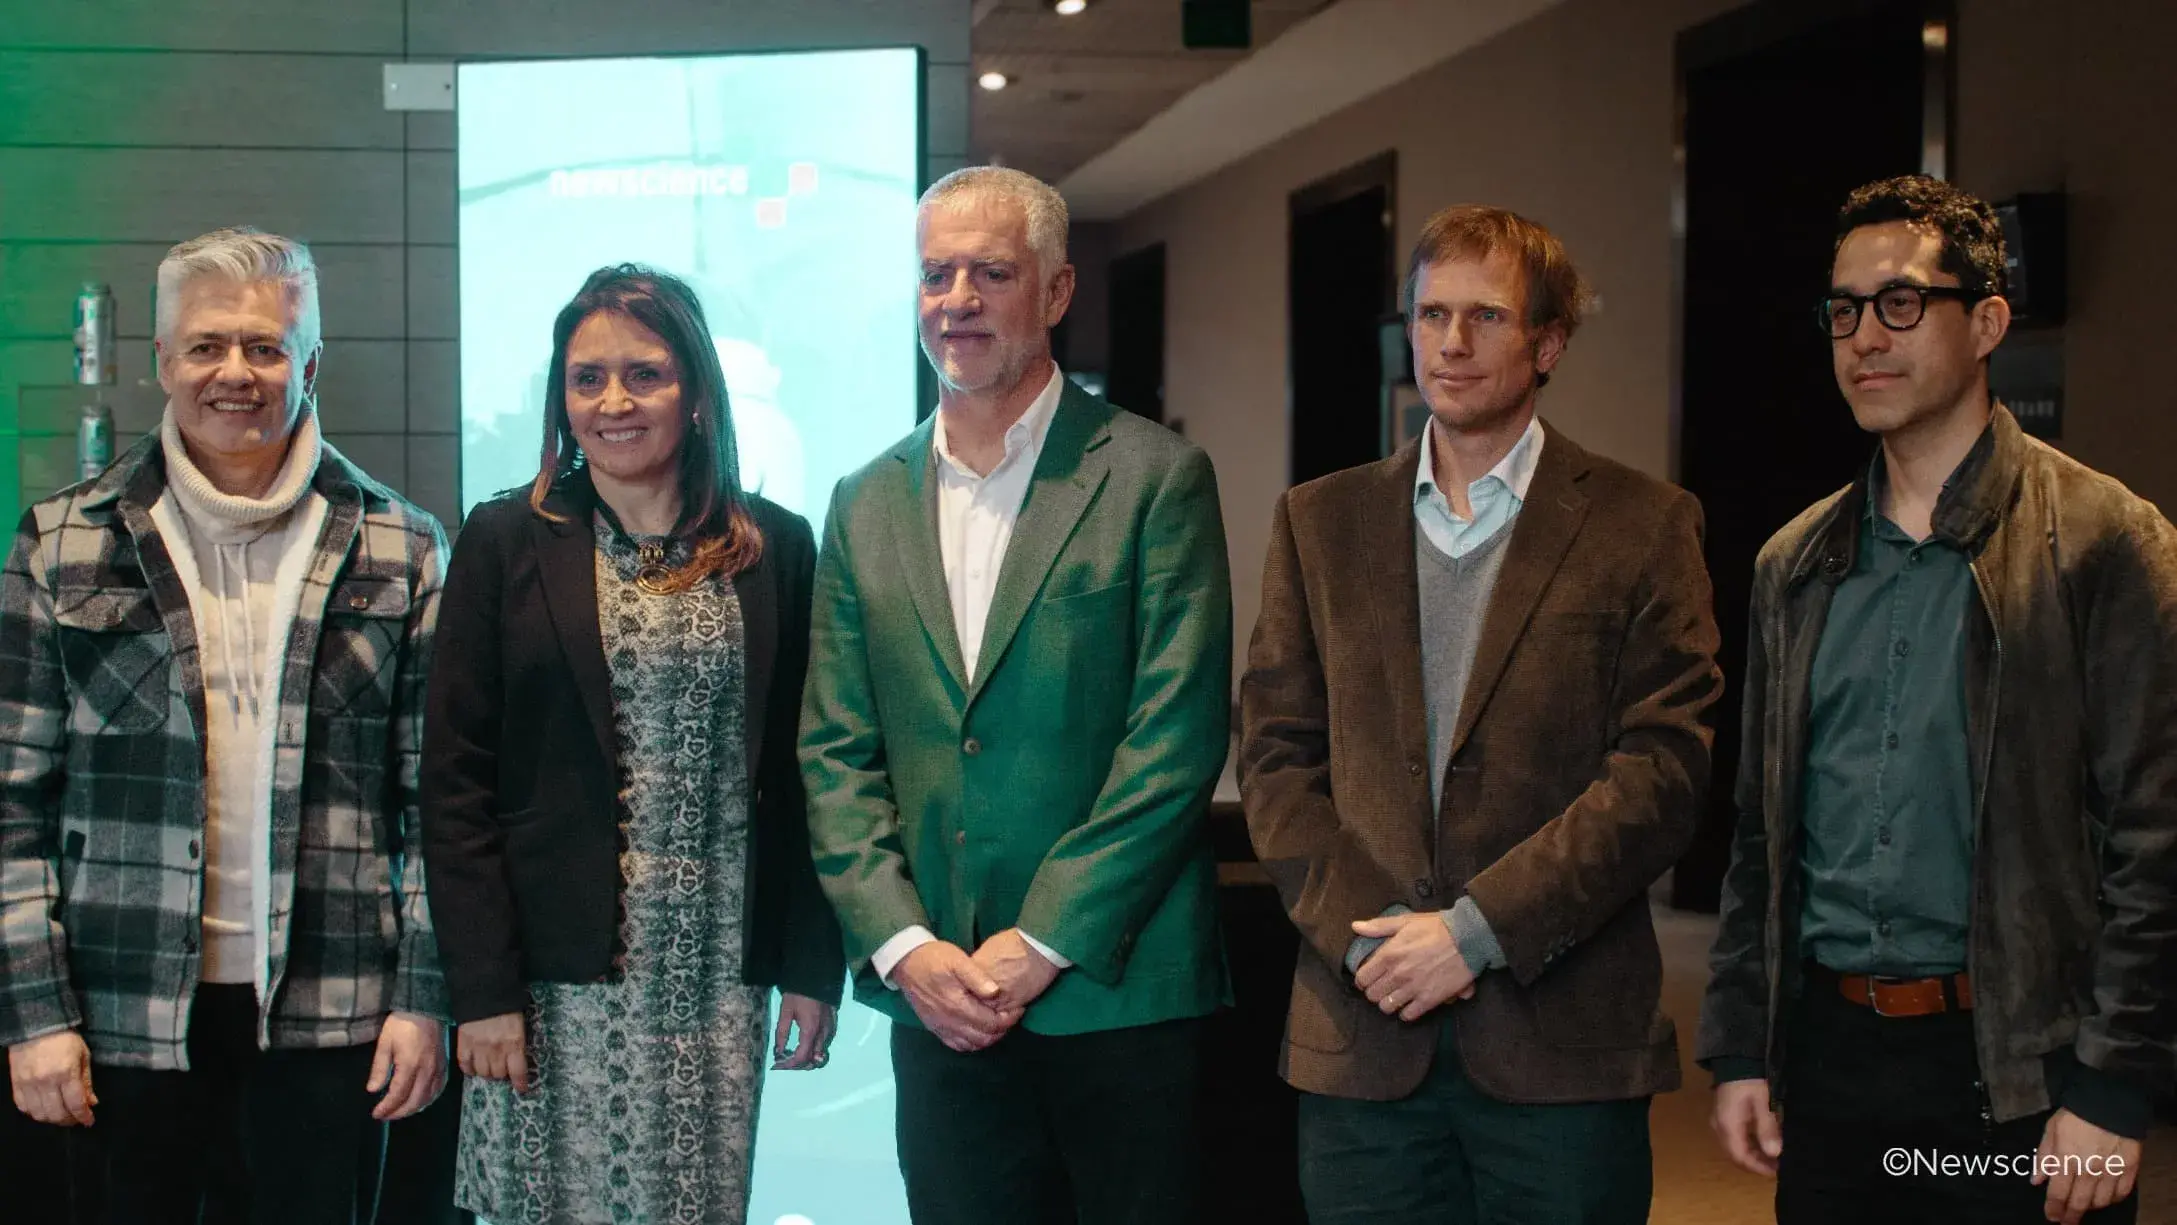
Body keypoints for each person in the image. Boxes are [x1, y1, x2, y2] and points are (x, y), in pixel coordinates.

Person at [1699, 175, 2177, 1225]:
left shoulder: (2103, 540)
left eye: (1901, 302)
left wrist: (2114, 1082)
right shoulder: (1794, 562)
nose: (1865, 336)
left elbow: (2157, 839)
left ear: (1987, 323)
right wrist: (1741, 1044)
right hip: (1830, 1066)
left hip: (2018, 1068)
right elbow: (1760, 833)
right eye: (1843, 310)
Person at [1239, 204, 1724, 1224]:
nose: (1451, 342)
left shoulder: (1642, 523)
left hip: (1561, 1047)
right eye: (1431, 314)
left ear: (1547, 343)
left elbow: (1663, 771)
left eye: (1486, 316)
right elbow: (1277, 759)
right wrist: (1370, 940)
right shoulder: (1320, 520)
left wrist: (1476, 931)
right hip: (1362, 1038)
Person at [801, 165, 1233, 1225]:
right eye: (935, 274)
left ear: (1055, 290)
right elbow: (834, 751)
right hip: (938, 999)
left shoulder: (1154, 478)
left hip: (1116, 994)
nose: (956, 300)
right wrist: (905, 947)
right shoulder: (863, 501)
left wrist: (1039, 941)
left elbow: (1173, 743)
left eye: (990, 272)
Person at [0, 226, 449, 1223]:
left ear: (310, 364)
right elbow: (10, 802)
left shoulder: (403, 545)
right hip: (116, 1017)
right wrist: (32, 1013)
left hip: (335, 1015)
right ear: (163, 359)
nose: (234, 372)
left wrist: (423, 998)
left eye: (264, 346)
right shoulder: (61, 541)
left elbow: (436, 804)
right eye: (206, 345)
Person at [422, 264, 843, 1224]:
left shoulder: (774, 547)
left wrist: (812, 966)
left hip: (715, 980)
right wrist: (480, 989)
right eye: (587, 378)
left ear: (695, 392)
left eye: (643, 374)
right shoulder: (504, 538)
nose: (613, 401)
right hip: (545, 984)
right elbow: (454, 781)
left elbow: (804, 771)